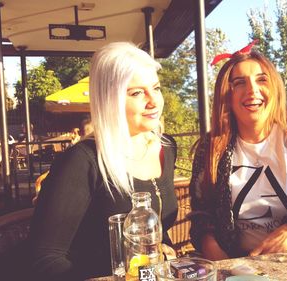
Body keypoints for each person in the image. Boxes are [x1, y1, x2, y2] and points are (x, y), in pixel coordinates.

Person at [27, 42, 178, 281]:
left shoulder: (166, 148)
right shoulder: (82, 161)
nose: (154, 101)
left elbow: (157, 230)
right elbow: (44, 259)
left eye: (156, 88)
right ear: (110, 99)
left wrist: (166, 254)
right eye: (137, 92)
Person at [188, 40, 287, 260]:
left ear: (274, 88)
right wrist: (223, 262)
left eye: (261, 80)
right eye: (239, 83)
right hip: (235, 267)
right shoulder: (211, 150)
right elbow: (201, 217)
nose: (252, 90)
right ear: (227, 95)